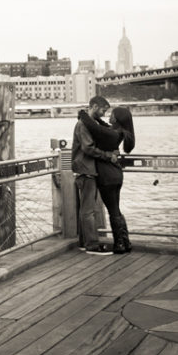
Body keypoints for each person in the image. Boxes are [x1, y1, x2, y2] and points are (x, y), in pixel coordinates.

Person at [78, 106, 136, 254]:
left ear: (116, 118)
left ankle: (119, 244)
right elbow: (102, 127)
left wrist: (83, 114)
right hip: (116, 174)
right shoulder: (119, 132)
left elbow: (96, 129)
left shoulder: (111, 134)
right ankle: (125, 241)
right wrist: (96, 117)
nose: (108, 116)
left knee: (113, 211)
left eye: (111, 114)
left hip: (106, 176)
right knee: (116, 209)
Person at [71, 96, 119, 255]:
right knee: (88, 210)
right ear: (95, 106)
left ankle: (85, 242)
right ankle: (92, 245)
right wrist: (107, 155)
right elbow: (88, 148)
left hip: (86, 169)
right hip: (86, 170)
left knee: (86, 209)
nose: (104, 114)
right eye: (103, 110)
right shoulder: (83, 125)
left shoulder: (88, 124)